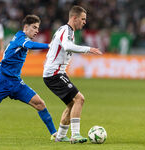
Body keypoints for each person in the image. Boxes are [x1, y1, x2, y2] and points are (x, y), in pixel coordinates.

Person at [43, 6, 102, 144]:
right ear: (74, 18)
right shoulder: (66, 30)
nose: (84, 22)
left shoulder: (65, 31)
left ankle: (61, 135)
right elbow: (67, 46)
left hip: (56, 73)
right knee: (80, 99)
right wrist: (88, 49)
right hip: (54, 74)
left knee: (72, 104)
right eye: (82, 19)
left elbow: (53, 45)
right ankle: (75, 135)